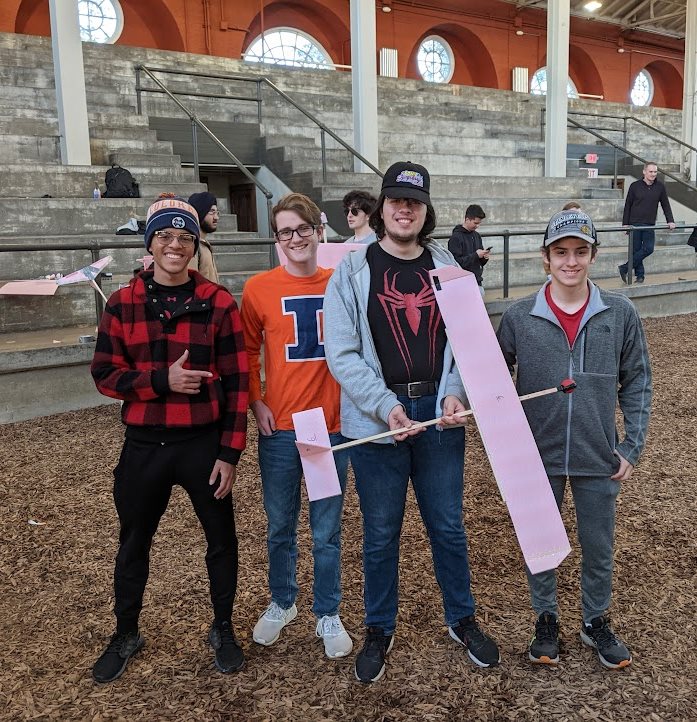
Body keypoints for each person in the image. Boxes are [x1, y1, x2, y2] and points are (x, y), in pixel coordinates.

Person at [324, 161, 499, 684]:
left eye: (415, 202)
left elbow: (468, 342)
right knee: (380, 532)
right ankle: (379, 626)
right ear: (381, 208)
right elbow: (343, 352)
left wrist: (453, 393)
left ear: (426, 211)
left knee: (447, 525)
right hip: (376, 423)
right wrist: (384, 406)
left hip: (438, 417)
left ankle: (461, 619)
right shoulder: (353, 271)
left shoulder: (450, 268)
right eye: (396, 200)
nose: (405, 209)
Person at [90, 196, 249, 682]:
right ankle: (126, 632)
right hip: (144, 445)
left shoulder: (219, 303)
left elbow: (239, 382)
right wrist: (160, 381)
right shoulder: (122, 303)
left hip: (202, 443)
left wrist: (230, 452)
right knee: (134, 541)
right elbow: (103, 374)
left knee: (221, 539)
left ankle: (222, 626)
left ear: (195, 247)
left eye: (184, 238)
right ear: (150, 245)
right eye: (164, 237)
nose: (174, 245)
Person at [497, 208, 652, 671]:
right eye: (560, 252)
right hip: (537, 457)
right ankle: (545, 618)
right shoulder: (520, 316)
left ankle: (595, 620)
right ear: (546, 258)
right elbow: (491, 375)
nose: (571, 261)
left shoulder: (619, 312)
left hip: (597, 454)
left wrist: (631, 445)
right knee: (542, 541)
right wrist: (466, 404)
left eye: (580, 252)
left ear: (593, 255)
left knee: (598, 543)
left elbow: (638, 381)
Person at [240, 192, 352, 660]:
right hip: (282, 428)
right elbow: (247, 351)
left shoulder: (342, 283)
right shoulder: (258, 289)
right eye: (286, 231)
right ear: (277, 237)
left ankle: (327, 610)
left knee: (327, 529)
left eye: (302, 228)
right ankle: (283, 600)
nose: (295, 238)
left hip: (330, 426)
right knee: (279, 524)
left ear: (318, 230)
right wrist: (255, 400)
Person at [619, 161, 675, 284]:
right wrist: (625, 224)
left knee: (648, 249)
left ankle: (624, 268)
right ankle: (640, 276)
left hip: (649, 223)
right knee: (636, 250)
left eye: (655, 172)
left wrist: (670, 220)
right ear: (644, 171)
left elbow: (665, 204)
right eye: (650, 171)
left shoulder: (660, 187)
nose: (653, 174)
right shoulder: (634, 186)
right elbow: (628, 205)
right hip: (634, 223)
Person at [447, 204, 490, 296]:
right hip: (462, 283)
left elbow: (480, 262)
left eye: (479, 223)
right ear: (467, 220)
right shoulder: (456, 238)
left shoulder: (477, 236)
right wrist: (476, 255)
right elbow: (455, 263)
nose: (477, 226)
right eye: (475, 223)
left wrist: (484, 257)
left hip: (477, 281)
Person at [188, 191, 221, 283]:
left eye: (217, 213)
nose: (216, 217)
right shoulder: (192, 246)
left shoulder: (203, 244)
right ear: (199, 213)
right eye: (211, 212)